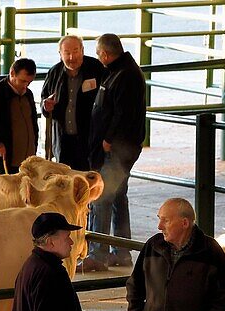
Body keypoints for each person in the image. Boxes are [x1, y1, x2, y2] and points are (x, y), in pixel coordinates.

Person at [84, 33, 147, 272]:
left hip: (120, 149)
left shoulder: (125, 75)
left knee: (101, 197)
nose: (98, 57)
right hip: (122, 147)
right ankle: (121, 251)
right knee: (118, 197)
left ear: (106, 54)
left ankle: (97, 254)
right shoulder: (121, 71)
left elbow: (123, 113)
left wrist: (109, 139)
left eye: (98, 53)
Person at [40, 35, 106, 172]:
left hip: (89, 139)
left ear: (82, 50)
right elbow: (44, 101)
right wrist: (46, 106)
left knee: (89, 180)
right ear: (60, 54)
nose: (72, 57)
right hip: (63, 141)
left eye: (75, 51)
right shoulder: (54, 73)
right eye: (67, 53)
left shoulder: (96, 69)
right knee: (64, 181)